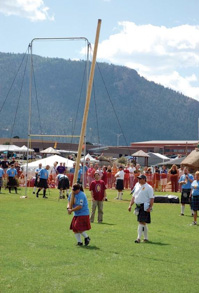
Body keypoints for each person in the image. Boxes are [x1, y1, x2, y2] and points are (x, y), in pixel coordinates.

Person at [128, 174, 154, 243]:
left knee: (141, 221)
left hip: (144, 206)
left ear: (144, 179)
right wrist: (130, 205)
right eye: (138, 179)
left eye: (140, 179)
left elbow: (151, 198)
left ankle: (138, 238)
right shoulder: (137, 185)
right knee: (143, 222)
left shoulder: (149, 187)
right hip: (138, 206)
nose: (139, 180)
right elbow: (134, 196)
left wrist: (150, 207)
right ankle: (146, 238)